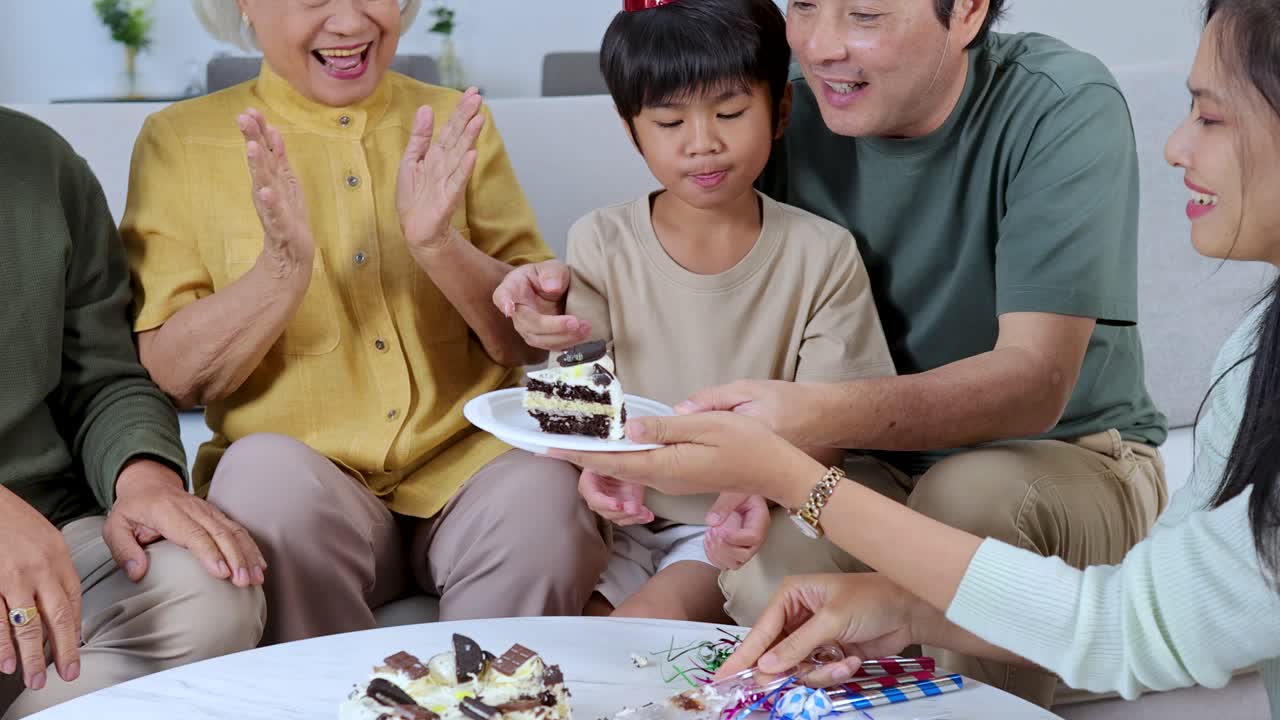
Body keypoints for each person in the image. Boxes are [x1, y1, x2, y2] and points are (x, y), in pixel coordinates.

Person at [553, 3, 1280, 715]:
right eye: (804, 5)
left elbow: (1033, 383)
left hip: (1053, 455)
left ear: (965, 12)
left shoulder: (1056, 102)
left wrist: (787, 444)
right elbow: (655, 285)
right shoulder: (769, 110)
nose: (824, 45)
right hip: (859, 462)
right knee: (774, 561)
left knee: (967, 498)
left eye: (865, 15)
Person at [121, 0, 609, 644]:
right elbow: (173, 377)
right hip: (307, 491)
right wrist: (280, 272)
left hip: (472, 473)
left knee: (547, 493)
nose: (350, 24)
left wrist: (440, 245)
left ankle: (487, 707)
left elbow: (521, 341)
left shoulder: (455, 122)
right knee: (263, 480)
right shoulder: (180, 140)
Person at [517, 0, 893, 622]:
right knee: (550, 638)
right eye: (668, 122)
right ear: (630, 127)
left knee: (633, 634)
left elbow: (833, 427)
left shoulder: (821, 253)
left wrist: (756, 487)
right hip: (613, 515)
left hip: (729, 523)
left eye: (730, 113)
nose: (703, 144)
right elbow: (572, 398)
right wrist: (596, 471)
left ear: (780, 112)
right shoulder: (600, 240)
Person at [0, 107, 266, 719]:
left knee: (213, 593)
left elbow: (102, 376)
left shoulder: (41, 163)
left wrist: (144, 479)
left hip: (55, 535)